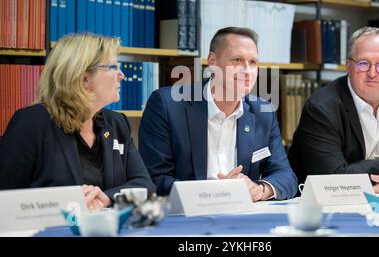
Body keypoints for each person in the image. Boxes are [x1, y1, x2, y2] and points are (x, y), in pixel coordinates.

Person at [139, 27, 298, 201]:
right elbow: (154, 179)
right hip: (187, 218)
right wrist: (217, 191)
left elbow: (286, 176)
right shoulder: (167, 104)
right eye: (237, 60)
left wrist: (259, 190)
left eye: (253, 62)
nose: (247, 70)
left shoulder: (263, 111)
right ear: (212, 62)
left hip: (244, 217)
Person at [0, 34, 155, 210]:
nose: (121, 75)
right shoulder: (31, 123)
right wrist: (67, 202)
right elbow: (5, 198)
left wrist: (107, 198)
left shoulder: (117, 123)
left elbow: (145, 185)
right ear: (83, 78)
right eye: (113, 67)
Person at [288, 27, 379, 194]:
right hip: (326, 208)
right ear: (348, 66)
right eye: (363, 63)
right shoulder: (321, 109)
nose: (372, 73)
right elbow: (333, 178)